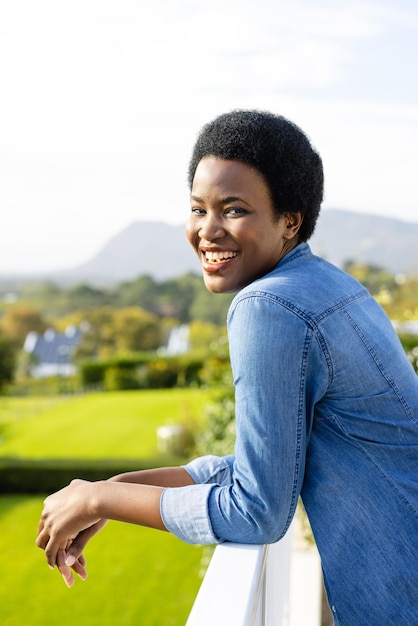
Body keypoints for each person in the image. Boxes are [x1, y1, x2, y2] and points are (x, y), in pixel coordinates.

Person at [37, 110, 418, 625]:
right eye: (198, 209)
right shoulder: (333, 286)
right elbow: (257, 468)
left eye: (234, 209)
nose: (207, 231)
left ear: (290, 220)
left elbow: (256, 510)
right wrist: (108, 493)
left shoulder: (270, 306)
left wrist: (102, 496)